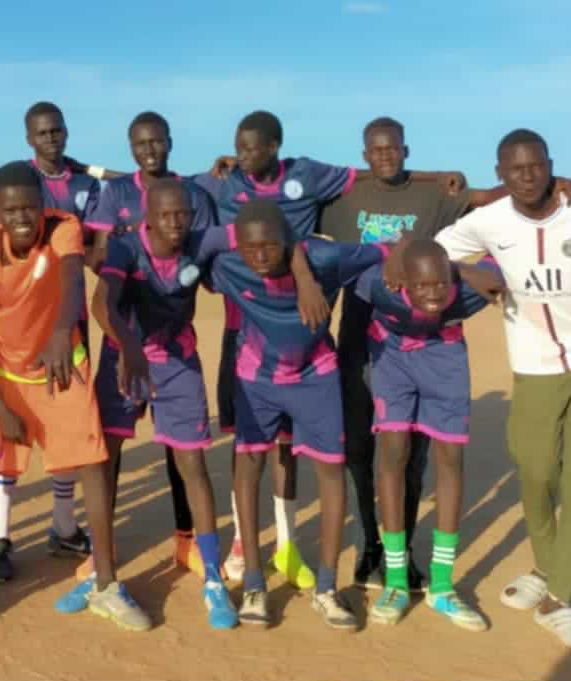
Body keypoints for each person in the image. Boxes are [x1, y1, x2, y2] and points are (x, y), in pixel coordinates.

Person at [316, 116, 571, 592]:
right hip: (362, 338)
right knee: (360, 447)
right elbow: (285, 206)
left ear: (406, 150)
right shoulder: (345, 199)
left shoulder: (434, 196)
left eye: (394, 149)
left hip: (423, 339)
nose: (386, 156)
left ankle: (405, 552)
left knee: (412, 452)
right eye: (377, 150)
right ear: (364, 156)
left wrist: (552, 185)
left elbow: (491, 195)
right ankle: (369, 544)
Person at [0, 163, 149, 659]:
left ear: (42, 206)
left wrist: (64, 330)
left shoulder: (63, 227)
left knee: (94, 468)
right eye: (11, 210)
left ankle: (106, 584)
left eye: (30, 207)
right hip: (7, 378)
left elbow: (72, 279)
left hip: (63, 370)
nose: (23, 217)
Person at [428, 129, 571, 649]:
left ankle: (559, 597)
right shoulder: (489, 221)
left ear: (550, 164)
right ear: (500, 174)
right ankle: (545, 565)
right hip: (534, 370)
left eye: (536, 165)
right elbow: (430, 249)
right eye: (516, 169)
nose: (528, 176)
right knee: (535, 472)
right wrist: (468, 270)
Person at [209, 199, 389, 628]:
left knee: (330, 470)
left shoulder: (326, 258)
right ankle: (254, 583)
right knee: (248, 467)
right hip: (256, 379)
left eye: (270, 246)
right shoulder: (227, 266)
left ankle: (326, 588)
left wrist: (305, 273)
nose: (259, 256)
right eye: (250, 248)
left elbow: (386, 250)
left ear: (289, 242)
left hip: (315, 377)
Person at [69, 178, 237, 629]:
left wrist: (302, 270)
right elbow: (102, 303)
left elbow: (259, 229)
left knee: (192, 465)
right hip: (123, 360)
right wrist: (129, 347)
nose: (175, 223)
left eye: (182, 214)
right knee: (104, 462)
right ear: (148, 217)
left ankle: (213, 578)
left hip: (178, 363)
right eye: (165, 215)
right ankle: (101, 573)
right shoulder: (126, 249)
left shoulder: (200, 242)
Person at [216, 110, 366, 589]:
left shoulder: (306, 174)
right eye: (238, 147)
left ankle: (286, 543)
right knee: (247, 445)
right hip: (244, 332)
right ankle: (242, 542)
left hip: (300, 326)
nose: (243, 155)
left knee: (287, 445)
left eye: (252, 147)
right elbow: (168, 195)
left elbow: (370, 177)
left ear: (275, 146)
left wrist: (301, 270)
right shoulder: (225, 182)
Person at [79, 111, 218, 580]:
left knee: (182, 450)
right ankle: (103, 549)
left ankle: (186, 540)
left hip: (175, 343)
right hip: (123, 337)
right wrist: (128, 257)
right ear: (131, 147)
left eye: (157, 141)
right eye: (141, 144)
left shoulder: (192, 195)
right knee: (110, 447)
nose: (150, 150)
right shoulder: (115, 193)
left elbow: (204, 253)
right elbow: (100, 256)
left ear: (170, 142)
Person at [354, 239, 503, 631]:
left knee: (450, 459)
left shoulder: (470, 292)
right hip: (392, 360)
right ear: (403, 280)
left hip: (445, 360)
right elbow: (352, 267)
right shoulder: (379, 285)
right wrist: (396, 252)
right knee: (393, 454)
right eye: (421, 285)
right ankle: (396, 581)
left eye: (441, 283)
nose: (434, 294)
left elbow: (498, 260)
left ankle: (441, 585)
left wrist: (461, 269)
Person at [0, 101, 99, 582]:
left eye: (57, 130)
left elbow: (95, 242)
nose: (51, 138)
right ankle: (0, 535)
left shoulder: (86, 184)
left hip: (68, 317)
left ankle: (63, 525)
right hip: (14, 325)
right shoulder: (17, 184)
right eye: (42, 132)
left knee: (63, 427)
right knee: (10, 435)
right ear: (29, 138)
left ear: (66, 132)